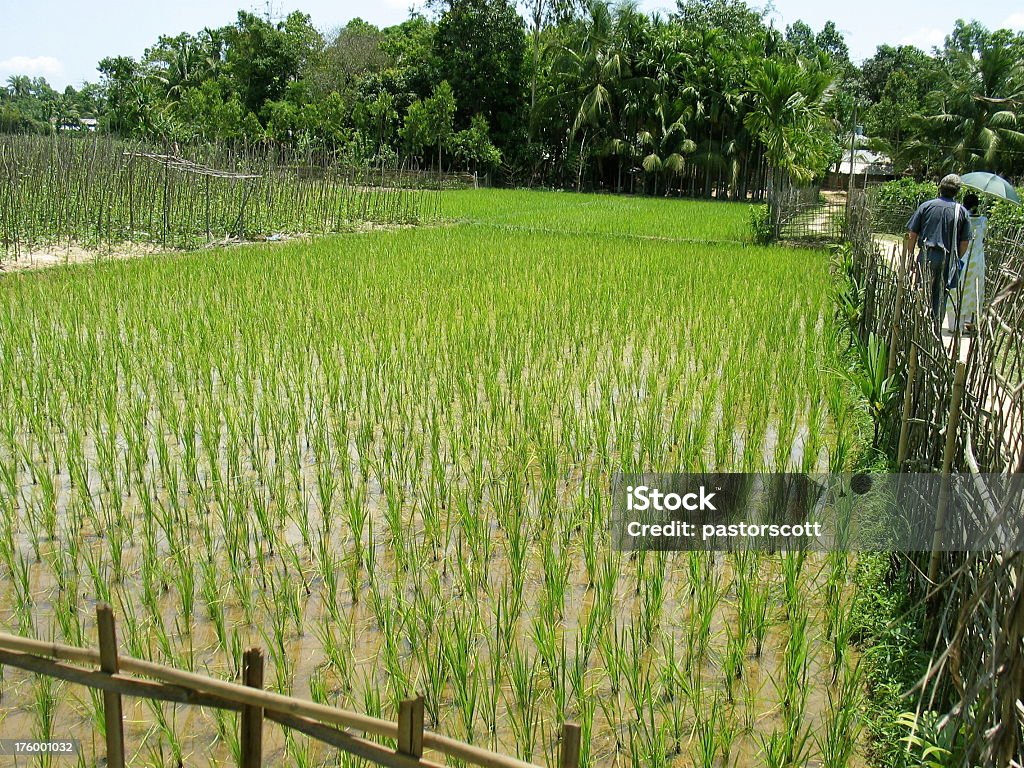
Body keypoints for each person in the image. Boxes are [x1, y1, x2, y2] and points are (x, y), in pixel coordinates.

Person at [905, 174, 972, 330]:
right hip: (947, 259)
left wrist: (909, 256)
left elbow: (912, 234)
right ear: (957, 192)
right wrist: (956, 258)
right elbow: (964, 243)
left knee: (921, 292)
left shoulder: (926, 206)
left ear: (940, 188)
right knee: (940, 296)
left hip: (926, 255)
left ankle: (917, 328)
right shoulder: (961, 211)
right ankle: (934, 330)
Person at [947, 192, 987, 335]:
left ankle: (954, 326)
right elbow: (983, 239)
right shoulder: (983, 220)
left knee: (956, 290)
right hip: (977, 262)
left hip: (961, 258)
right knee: (973, 292)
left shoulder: (961, 219)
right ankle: (969, 324)